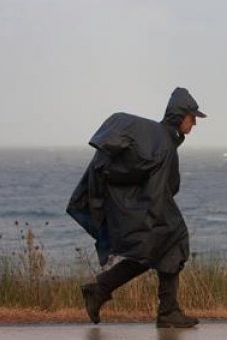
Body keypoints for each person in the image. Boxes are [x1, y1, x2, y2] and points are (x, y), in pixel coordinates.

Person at [66, 87, 207, 328]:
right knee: (172, 242)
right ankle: (165, 311)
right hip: (151, 209)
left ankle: (102, 290)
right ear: (179, 115)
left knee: (160, 251)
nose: (194, 123)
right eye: (191, 117)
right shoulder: (164, 143)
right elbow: (158, 188)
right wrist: (154, 219)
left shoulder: (163, 139)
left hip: (145, 207)